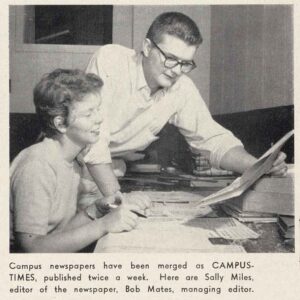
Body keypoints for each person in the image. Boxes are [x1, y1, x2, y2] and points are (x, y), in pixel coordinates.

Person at [83, 11, 287, 206]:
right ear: (147, 47)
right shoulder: (111, 60)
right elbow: (93, 140)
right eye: (170, 59)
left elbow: (213, 139)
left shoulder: (181, 87)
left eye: (185, 63)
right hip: (74, 171)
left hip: (111, 176)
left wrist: (258, 166)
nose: (176, 70)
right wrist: (119, 201)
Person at [10, 69, 148, 253]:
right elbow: (31, 247)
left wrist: (96, 210)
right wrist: (103, 225)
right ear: (60, 123)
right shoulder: (37, 165)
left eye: (98, 110)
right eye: (89, 114)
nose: (99, 119)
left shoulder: (72, 160)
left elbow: (58, 234)